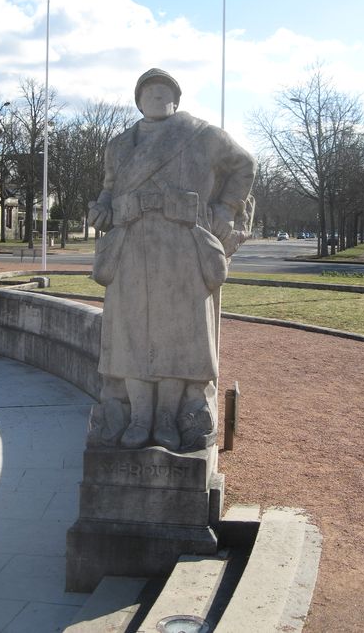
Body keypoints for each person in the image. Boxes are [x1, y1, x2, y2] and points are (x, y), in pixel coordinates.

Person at [87, 68, 255, 453]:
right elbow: (110, 191)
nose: (158, 98)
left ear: (177, 100)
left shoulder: (203, 134)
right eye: (150, 92)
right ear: (138, 100)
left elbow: (244, 165)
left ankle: (167, 416)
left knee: (180, 334)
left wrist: (227, 209)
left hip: (181, 244)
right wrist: (101, 208)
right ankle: (139, 416)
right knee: (131, 335)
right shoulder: (119, 145)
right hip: (131, 245)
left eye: (165, 92)